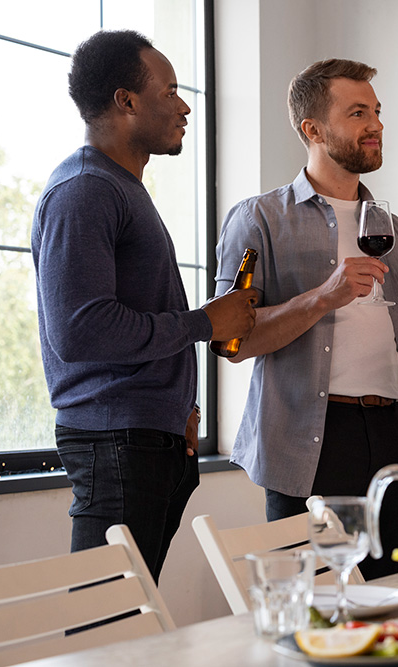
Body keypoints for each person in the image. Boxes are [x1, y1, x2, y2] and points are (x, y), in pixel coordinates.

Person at [32, 30, 257, 582]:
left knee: (129, 618)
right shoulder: (84, 191)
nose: (184, 106)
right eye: (171, 90)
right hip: (116, 445)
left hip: (146, 442)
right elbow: (81, 331)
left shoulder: (121, 188)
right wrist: (206, 322)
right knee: (104, 626)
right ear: (125, 101)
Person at [216, 59, 398, 579]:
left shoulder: (393, 228)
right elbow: (231, 340)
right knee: (315, 615)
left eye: (376, 111)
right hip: (309, 441)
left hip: (392, 434)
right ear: (313, 129)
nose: (376, 124)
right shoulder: (259, 218)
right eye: (358, 113)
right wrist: (321, 298)